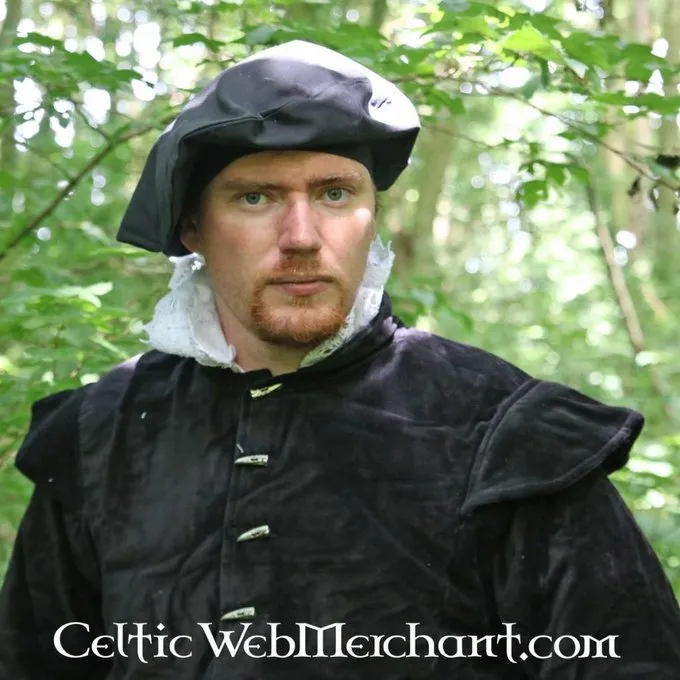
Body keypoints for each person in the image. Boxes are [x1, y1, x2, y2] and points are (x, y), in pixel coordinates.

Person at [0, 40, 678, 680]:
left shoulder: (501, 433)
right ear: (192, 229)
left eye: (334, 194)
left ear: (371, 216)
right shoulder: (101, 436)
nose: (302, 237)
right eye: (256, 197)